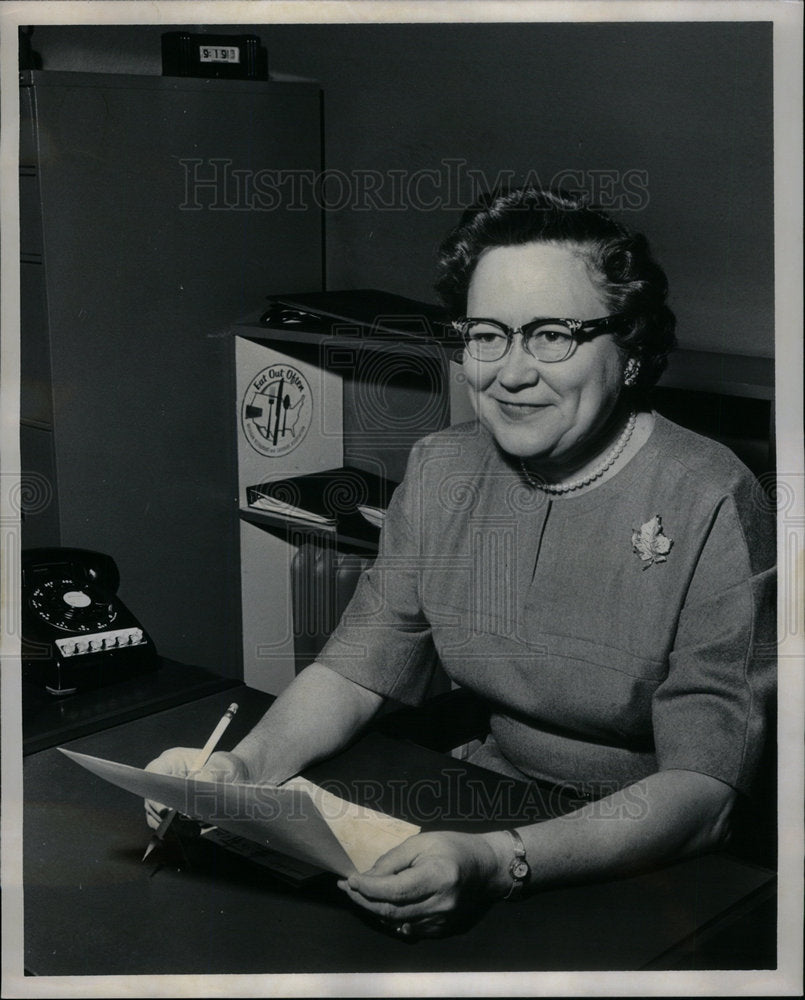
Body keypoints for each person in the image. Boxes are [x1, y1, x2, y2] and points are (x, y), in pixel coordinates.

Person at [146, 187, 776, 939]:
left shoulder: (710, 494)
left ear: (631, 349)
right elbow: (354, 670)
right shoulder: (442, 466)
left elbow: (703, 795)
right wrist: (239, 775)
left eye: (551, 336)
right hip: (480, 799)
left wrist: (499, 861)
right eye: (486, 334)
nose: (509, 373)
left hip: (648, 853)